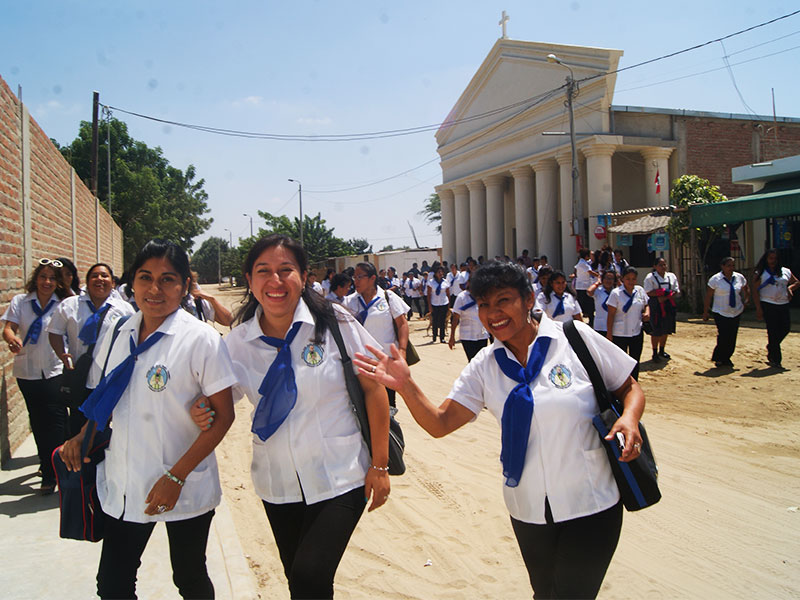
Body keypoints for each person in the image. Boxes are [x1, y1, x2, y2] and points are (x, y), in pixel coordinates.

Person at [353, 261, 645, 599]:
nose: (493, 314)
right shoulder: (485, 366)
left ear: (528, 299)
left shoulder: (573, 339)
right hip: (529, 508)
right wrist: (405, 386)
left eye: (503, 300)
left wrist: (630, 418)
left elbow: (629, 387)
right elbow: (440, 423)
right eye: (483, 304)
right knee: (544, 593)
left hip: (592, 501)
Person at [210, 235, 390, 600]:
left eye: (285, 270)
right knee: (299, 580)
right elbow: (219, 405)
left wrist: (380, 465)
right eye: (263, 271)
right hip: (278, 481)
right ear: (249, 279)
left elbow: (374, 390)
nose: (275, 281)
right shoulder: (237, 344)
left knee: (309, 575)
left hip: (341, 474)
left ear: (305, 276)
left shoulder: (336, 323)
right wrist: (202, 410)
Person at [59, 239, 236, 600]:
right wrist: (83, 435)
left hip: (184, 481)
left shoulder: (200, 339)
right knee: (113, 584)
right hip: (126, 482)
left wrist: (175, 477)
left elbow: (224, 416)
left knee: (189, 577)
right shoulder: (117, 332)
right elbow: (106, 396)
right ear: (132, 283)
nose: (155, 289)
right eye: (145, 277)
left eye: (168, 279)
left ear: (185, 286)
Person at [2, 258, 69, 493]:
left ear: (58, 282)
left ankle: (55, 472)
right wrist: (11, 338)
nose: (47, 282)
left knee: (56, 420)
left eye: (52, 278)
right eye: (43, 277)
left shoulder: (63, 304)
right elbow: (8, 328)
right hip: (27, 371)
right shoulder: (20, 302)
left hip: (54, 369)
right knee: (38, 421)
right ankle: (46, 464)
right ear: (36, 279)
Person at [47, 263, 135, 435]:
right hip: (79, 379)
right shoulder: (70, 305)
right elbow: (54, 332)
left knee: (105, 430)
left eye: (104, 276)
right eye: (94, 276)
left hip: (108, 380)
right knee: (77, 426)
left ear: (113, 282)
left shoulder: (124, 310)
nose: (99, 279)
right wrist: (63, 355)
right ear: (87, 282)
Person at [343, 262, 410, 409]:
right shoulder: (349, 302)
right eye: (354, 277)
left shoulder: (388, 297)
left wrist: (402, 351)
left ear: (372, 278)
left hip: (386, 361)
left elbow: (402, 324)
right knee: (364, 405)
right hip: (361, 364)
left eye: (359, 277)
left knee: (388, 404)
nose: (355, 281)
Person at [751, 249, 797, 368]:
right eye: (771, 258)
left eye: (775, 259)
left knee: (785, 328)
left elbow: (796, 282)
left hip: (783, 303)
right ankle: (775, 359)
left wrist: (790, 288)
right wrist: (758, 308)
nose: (773, 261)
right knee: (772, 330)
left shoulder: (785, 271)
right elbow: (755, 291)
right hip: (768, 303)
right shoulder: (760, 272)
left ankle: (771, 346)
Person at [703, 257, 749, 368]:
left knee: (732, 336)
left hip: (735, 311)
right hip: (720, 311)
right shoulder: (715, 279)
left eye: (733, 266)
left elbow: (746, 289)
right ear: (722, 266)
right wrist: (705, 311)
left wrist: (746, 301)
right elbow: (709, 296)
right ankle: (719, 357)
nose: (731, 268)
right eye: (728, 266)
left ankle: (727, 357)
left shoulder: (739, 277)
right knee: (723, 335)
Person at [605, 267, 649, 380]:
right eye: (628, 279)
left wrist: (647, 313)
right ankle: (621, 384)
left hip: (636, 331)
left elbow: (646, 304)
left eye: (633, 279)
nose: (631, 281)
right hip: (620, 333)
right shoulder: (616, 293)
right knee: (621, 361)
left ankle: (634, 382)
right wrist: (609, 334)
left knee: (635, 360)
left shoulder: (639, 290)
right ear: (622, 279)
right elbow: (611, 315)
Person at [643, 257, 680, 362]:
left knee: (666, 329)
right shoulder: (650, 277)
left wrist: (666, 296)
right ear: (655, 266)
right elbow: (648, 292)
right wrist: (661, 292)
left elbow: (676, 290)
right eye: (660, 265)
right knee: (656, 330)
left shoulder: (671, 276)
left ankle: (662, 350)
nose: (663, 267)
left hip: (668, 305)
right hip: (656, 306)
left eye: (664, 264)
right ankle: (654, 353)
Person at [449, 282, 490, 361]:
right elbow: (455, 317)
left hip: (482, 334)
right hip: (467, 335)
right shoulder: (462, 297)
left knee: (482, 361)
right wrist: (452, 336)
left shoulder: (483, 297)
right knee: (472, 361)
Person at [587, 270, 618, 338]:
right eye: (606, 278)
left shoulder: (616, 292)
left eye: (611, 279)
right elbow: (589, 291)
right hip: (600, 326)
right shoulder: (598, 291)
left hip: (614, 326)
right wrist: (598, 282)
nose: (608, 281)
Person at [572, 249, 599, 328]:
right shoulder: (582, 263)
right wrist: (600, 276)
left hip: (584, 286)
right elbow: (590, 272)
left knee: (588, 304)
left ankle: (590, 320)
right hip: (583, 287)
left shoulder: (584, 262)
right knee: (587, 304)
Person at [427, 266, 450, 343]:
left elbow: (448, 293)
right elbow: (429, 294)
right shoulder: (431, 282)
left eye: (441, 272)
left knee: (442, 321)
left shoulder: (445, 282)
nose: (440, 273)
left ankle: (442, 337)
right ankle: (434, 336)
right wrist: (429, 306)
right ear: (435, 273)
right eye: (438, 272)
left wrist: (449, 305)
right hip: (435, 303)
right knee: (435, 321)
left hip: (444, 303)